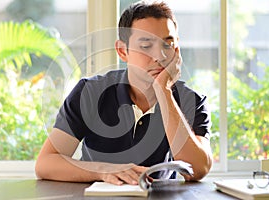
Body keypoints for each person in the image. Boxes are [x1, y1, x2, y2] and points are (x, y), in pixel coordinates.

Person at [35, 1, 213, 185]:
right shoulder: (90, 92)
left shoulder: (192, 101)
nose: (160, 56)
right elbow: (46, 163)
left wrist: (164, 91)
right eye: (146, 46)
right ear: (122, 51)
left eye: (167, 45)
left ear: (177, 50)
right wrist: (105, 170)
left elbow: (197, 170)